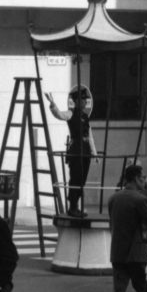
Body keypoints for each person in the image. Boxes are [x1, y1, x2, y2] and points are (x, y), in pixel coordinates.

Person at [108, 165, 147, 292]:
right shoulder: (140, 200)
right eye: (142, 177)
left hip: (118, 251)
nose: (144, 180)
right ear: (136, 178)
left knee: (118, 290)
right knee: (143, 289)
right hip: (137, 253)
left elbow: (112, 223)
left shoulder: (113, 198)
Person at [45, 85, 95, 217]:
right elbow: (60, 115)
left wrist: (94, 153)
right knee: (76, 178)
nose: (85, 102)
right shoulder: (71, 113)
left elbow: (89, 135)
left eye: (85, 100)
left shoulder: (85, 116)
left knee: (82, 180)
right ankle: (72, 206)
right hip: (76, 150)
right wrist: (53, 105)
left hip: (85, 151)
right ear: (77, 101)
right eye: (82, 100)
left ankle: (76, 205)